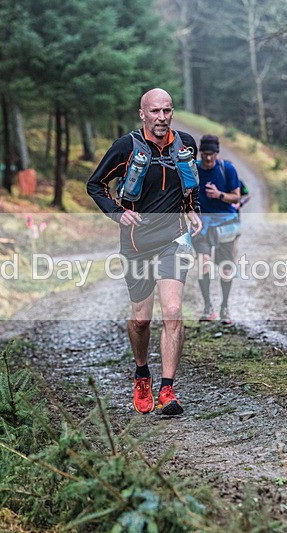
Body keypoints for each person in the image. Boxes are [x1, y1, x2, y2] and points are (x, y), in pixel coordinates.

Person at [87, 88, 202, 416]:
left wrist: (193, 209)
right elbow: (95, 184)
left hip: (174, 239)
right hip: (137, 244)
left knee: (174, 309)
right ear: (143, 114)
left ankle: (168, 389)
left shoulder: (186, 144)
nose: (162, 118)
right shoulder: (125, 147)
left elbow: (191, 184)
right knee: (140, 319)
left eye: (167, 111)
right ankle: (141, 374)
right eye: (155, 112)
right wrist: (116, 212)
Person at [193, 134, 242, 325]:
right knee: (203, 262)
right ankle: (208, 307)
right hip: (202, 225)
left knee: (225, 268)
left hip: (225, 224)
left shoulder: (227, 169)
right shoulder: (193, 169)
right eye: (205, 154)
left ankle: (225, 307)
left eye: (211, 154)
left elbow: (236, 197)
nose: (208, 158)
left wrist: (219, 195)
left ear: (217, 153)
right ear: (200, 153)